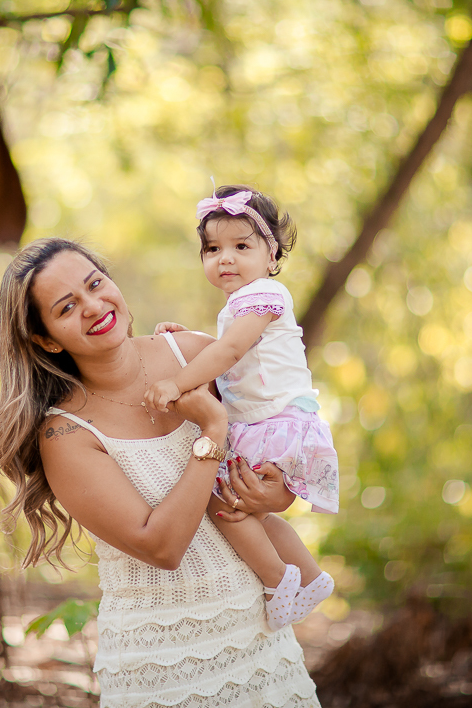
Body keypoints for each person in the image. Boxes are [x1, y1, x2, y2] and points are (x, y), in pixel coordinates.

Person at [0, 238, 320, 707]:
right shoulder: (65, 434)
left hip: (260, 647)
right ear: (46, 339)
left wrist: (277, 494)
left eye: (95, 284)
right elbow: (161, 546)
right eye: (67, 307)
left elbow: (279, 447)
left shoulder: (196, 353)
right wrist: (212, 430)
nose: (93, 306)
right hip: (162, 666)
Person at [145, 186, 338, 632]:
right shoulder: (244, 305)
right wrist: (187, 338)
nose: (224, 258)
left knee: (221, 502)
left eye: (241, 246)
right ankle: (309, 577)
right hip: (273, 419)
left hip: (276, 421)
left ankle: (278, 581)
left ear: (271, 257)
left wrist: (177, 380)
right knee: (251, 511)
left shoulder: (264, 294)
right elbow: (237, 351)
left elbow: (231, 351)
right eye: (213, 248)